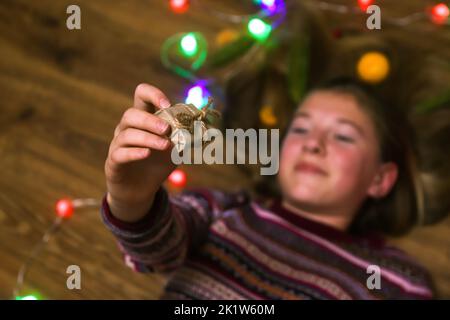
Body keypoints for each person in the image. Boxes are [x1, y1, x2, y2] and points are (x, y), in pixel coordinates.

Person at [101, 78, 434, 299]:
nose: (313, 144)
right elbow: (157, 251)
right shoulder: (221, 209)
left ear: (380, 179)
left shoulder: (399, 281)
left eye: (343, 136)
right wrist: (132, 196)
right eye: (300, 129)